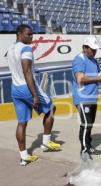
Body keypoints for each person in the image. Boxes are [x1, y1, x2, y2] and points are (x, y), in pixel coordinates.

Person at [7, 24, 61, 166]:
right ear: (19, 34)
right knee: (51, 108)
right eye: (28, 34)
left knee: (22, 122)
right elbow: (27, 72)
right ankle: (46, 143)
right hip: (27, 88)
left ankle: (24, 156)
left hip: (15, 88)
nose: (32, 37)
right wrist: (35, 95)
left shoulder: (11, 48)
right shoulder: (26, 48)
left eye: (32, 34)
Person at [72, 36, 101, 159]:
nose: (95, 52)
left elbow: (98, 77)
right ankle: (84, 151)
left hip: (93, 97)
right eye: (92, 49)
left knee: (90, 124)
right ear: (85, 47)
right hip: (83, 98)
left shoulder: (94, 61)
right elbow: (81, 78)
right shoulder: (79, 59)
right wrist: (100, 77)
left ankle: (88, 146)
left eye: (95, 50)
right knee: (86, 125)